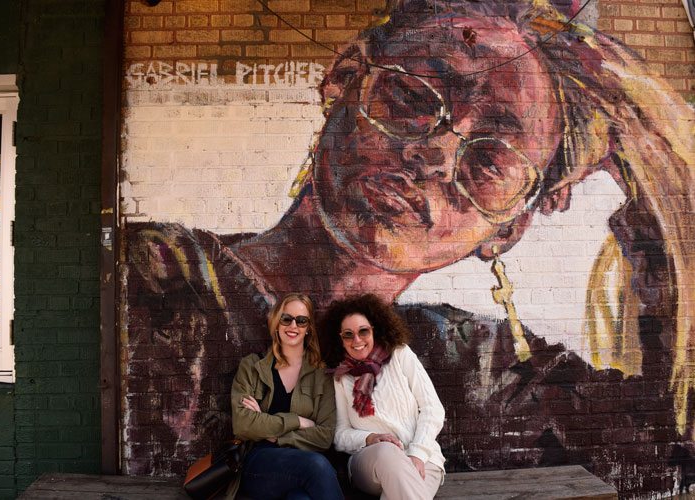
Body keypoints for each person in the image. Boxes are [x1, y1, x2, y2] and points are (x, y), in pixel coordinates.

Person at [123, 0, 694, 492]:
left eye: (491, 161)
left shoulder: (467, 366)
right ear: (346, 77)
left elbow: (666, 443)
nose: (433, 157)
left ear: (509, 228)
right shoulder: (159, 282)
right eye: (414, 94)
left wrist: (656, 172)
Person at [321, 293, 445, 499]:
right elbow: (340, 435)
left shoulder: (400, 354)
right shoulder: (341, 378)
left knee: (402, 489)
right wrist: (370, 438)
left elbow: (432, 409)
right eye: (348, 334)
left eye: (363, 331)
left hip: (423, 458)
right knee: (387, 452)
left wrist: (417, 453)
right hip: (370, 463)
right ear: (340, 339)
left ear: (375, 330)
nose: (357, 340)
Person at [226, 293, 343, 500]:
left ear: (309, 329)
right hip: (260, 463)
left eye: (301, 320)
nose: (293, 326)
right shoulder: (252, 367)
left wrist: (273, 434)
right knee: (317, 466)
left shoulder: (321, 374)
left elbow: (325, 435)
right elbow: (243, 424)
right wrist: (298, 421)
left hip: (305, 465)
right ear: (276, 323)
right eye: (286, 318)